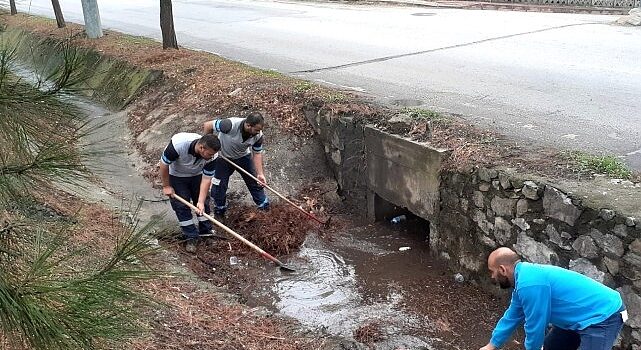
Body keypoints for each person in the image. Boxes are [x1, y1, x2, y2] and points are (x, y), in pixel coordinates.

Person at [480, 247, 626, 350]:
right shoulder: (523, 281)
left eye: (492, 272)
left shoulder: (528, 283)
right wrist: (492, 345)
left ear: (502, 270)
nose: (492, 277)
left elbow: (535, 325)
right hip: (575, 321)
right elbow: (511, 316)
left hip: (603, 317)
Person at [160, 133, 220, 253]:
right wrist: (166, 186)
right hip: (176, 175)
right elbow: (164, 164)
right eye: (209, 154)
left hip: (197, 175)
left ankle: (206, 232)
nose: (211, 157)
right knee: (181, 206)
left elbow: (207, 178)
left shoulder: (213, 156)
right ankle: (191, 236)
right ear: (202, 148)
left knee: (204, 205)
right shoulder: (178, 145)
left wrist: (201, 202)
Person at [203, 111, 269, 219]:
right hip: (223, 157)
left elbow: (257, 154)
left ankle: (263, 206)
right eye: (256, 130)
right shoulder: (229, 125)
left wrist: (260, 174)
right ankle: (220, 209)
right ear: (248, 125)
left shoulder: (258, 136)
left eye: (260, 130)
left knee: (255, 181)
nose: (259, 132)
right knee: (219, 185)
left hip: (243, 157)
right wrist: (209, 147)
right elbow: (208, 125)